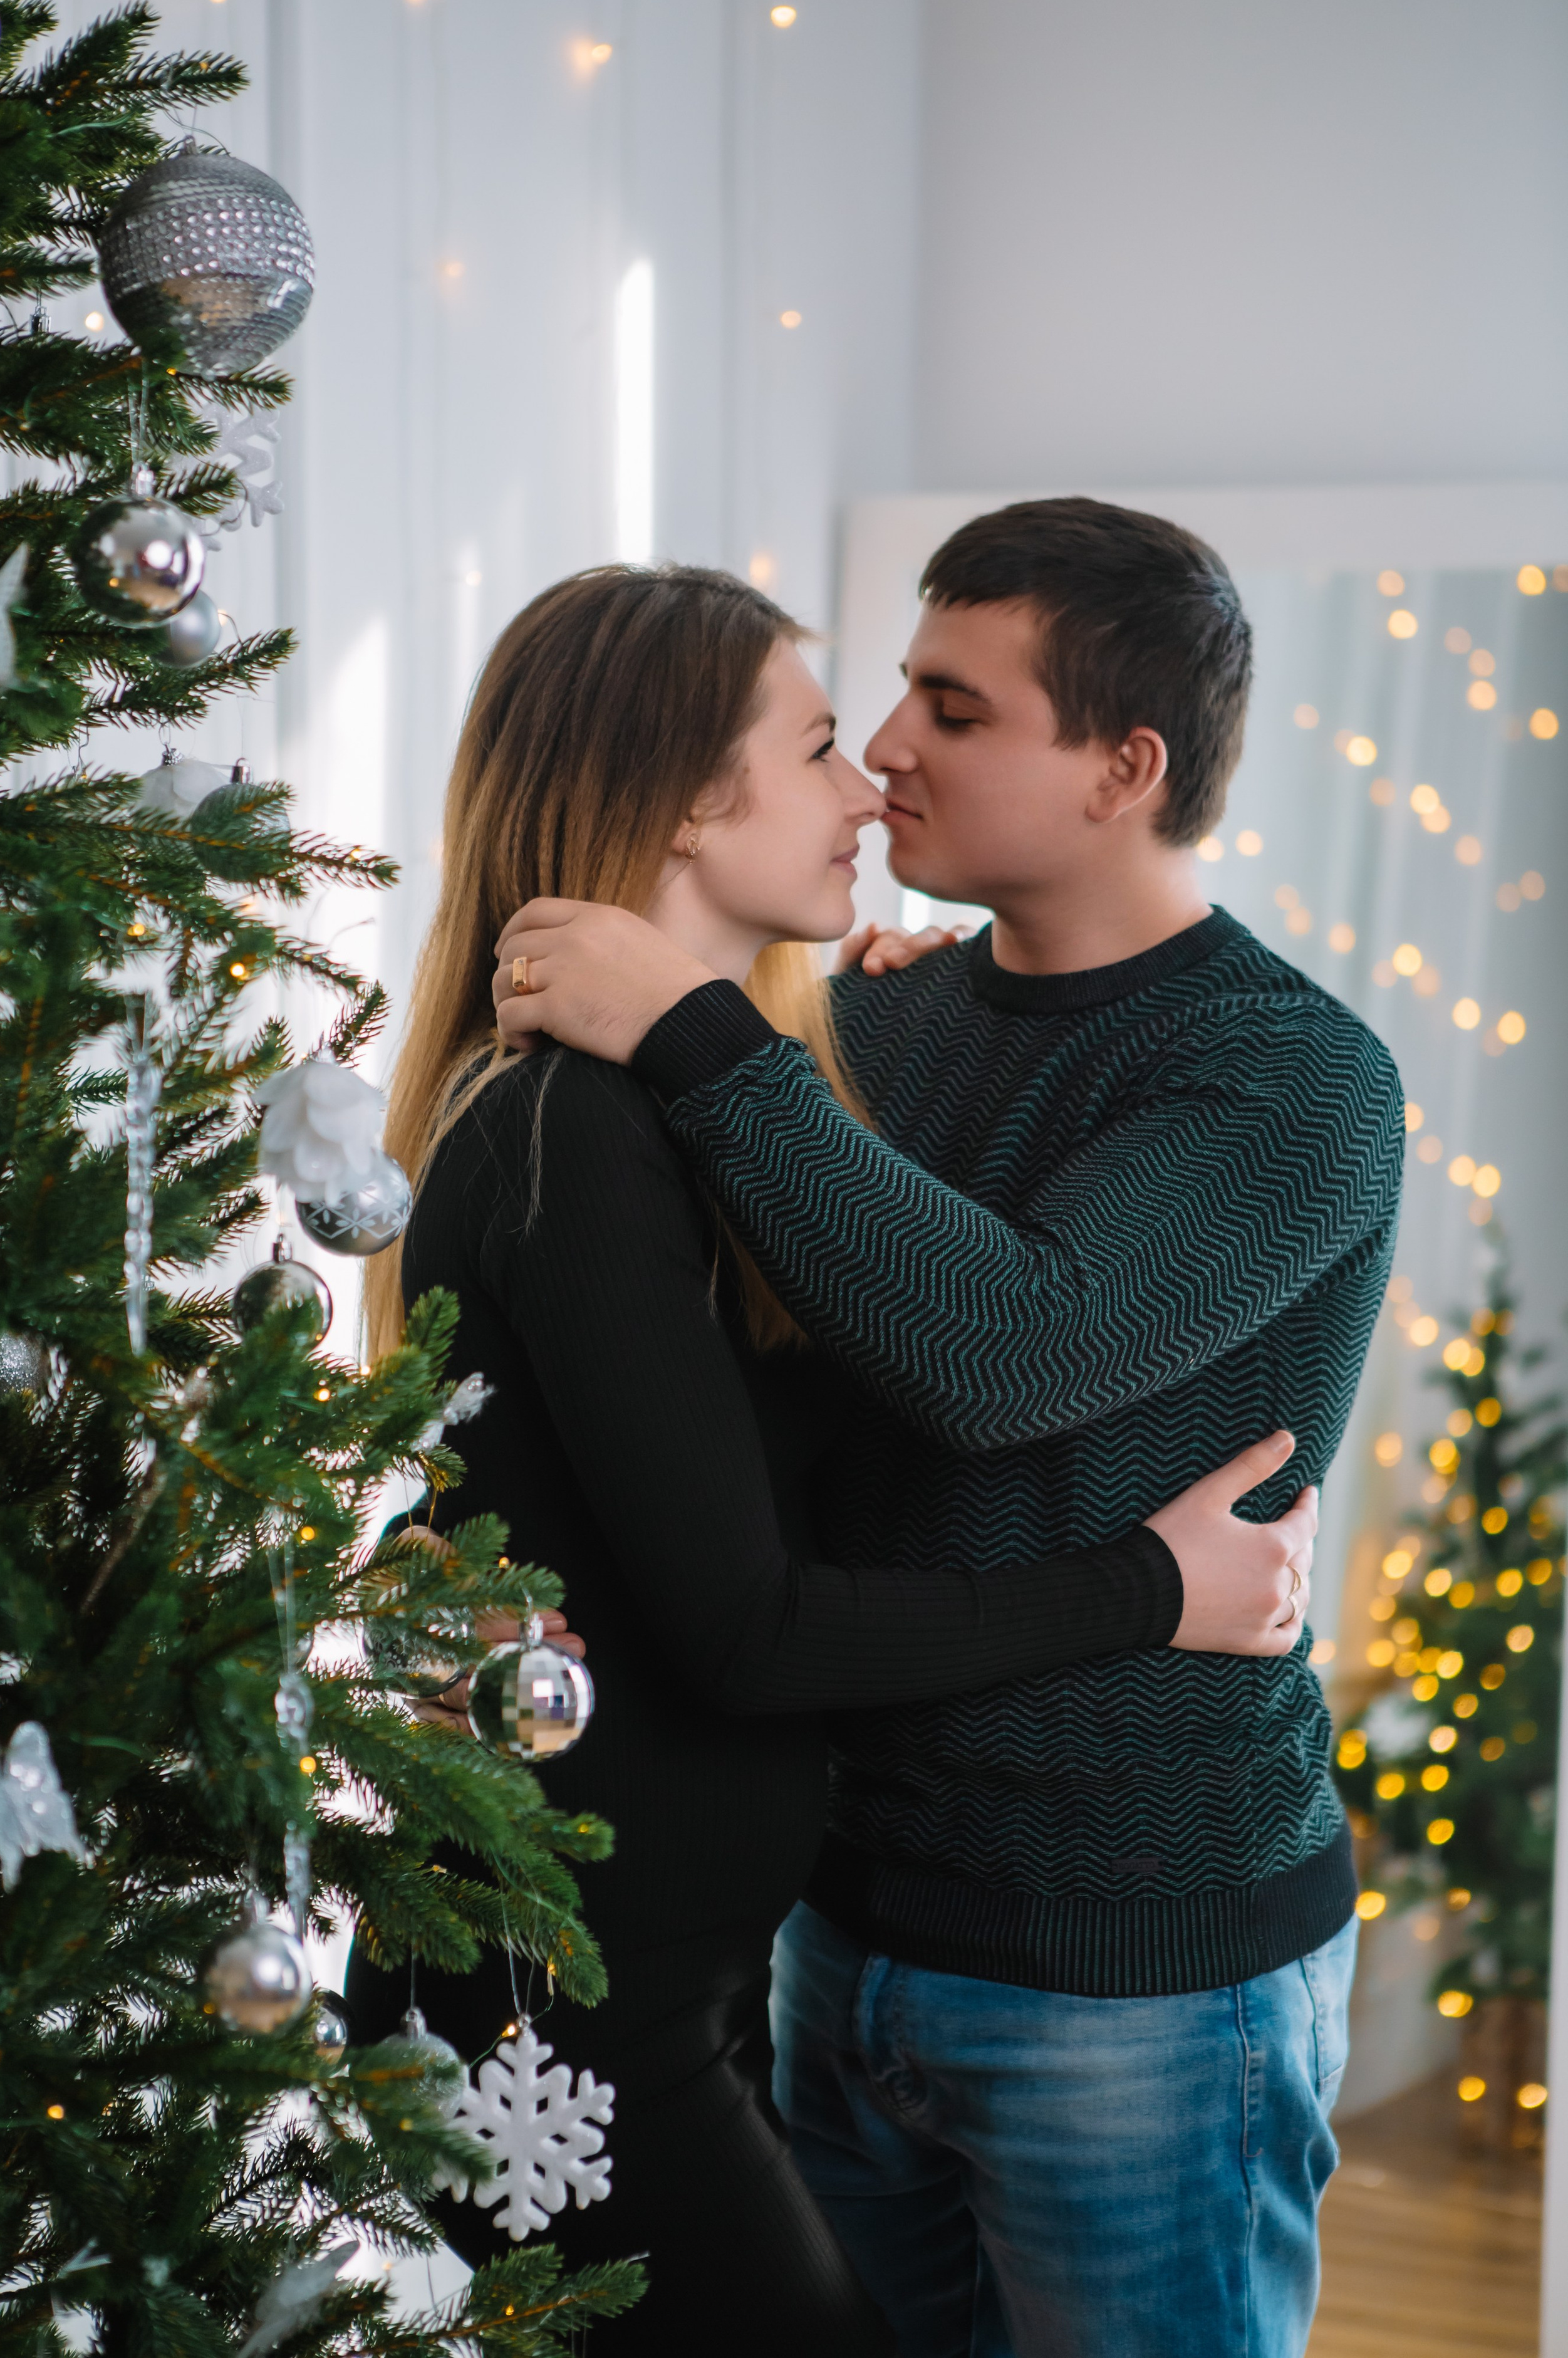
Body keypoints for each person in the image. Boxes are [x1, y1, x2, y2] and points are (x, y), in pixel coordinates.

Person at [345, 560, 1318, 2358]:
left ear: (1128, 764)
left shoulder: (689, 1100)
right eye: (822, 740)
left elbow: (926, 1363)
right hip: (574, 2010)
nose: (874, 771)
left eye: (942, 713)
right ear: (690, 799)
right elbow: (750, 1626)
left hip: (658, 1983)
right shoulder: (578, 1125)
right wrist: (1151, 1587)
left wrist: (838, 1040)